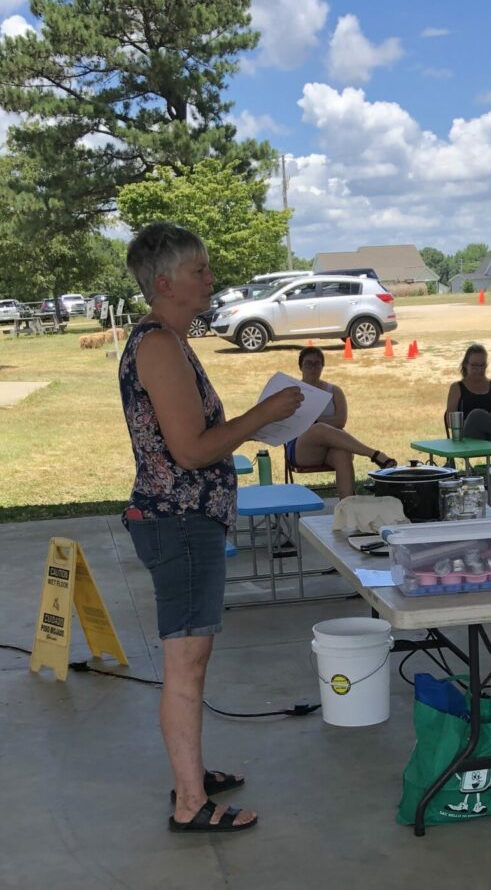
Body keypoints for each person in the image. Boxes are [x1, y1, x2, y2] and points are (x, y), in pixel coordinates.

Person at [119, 222, 305, 833]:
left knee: (191, 658)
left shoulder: (169, 340)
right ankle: (190, 802)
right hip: (179, 522)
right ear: (165, 282)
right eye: (199, 270)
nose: (211, 278)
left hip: (184, 520)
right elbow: (192, 451)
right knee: (187, 663)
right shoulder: (158, 346)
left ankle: (191, 775)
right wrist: (263, 416)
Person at [286, 345, 397, 497]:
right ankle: (374, 454)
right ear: (300, 367)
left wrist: (313, 421)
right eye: (308, 363)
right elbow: (290, 422)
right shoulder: (292, 391)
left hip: (331, 447)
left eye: (317, 363)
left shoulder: (334, 391)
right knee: (319, 429)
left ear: (323, 366)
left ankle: (347, 507)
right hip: (302, 448)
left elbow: (340, 421)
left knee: (342, 453)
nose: (313, 367)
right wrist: (318, 423)